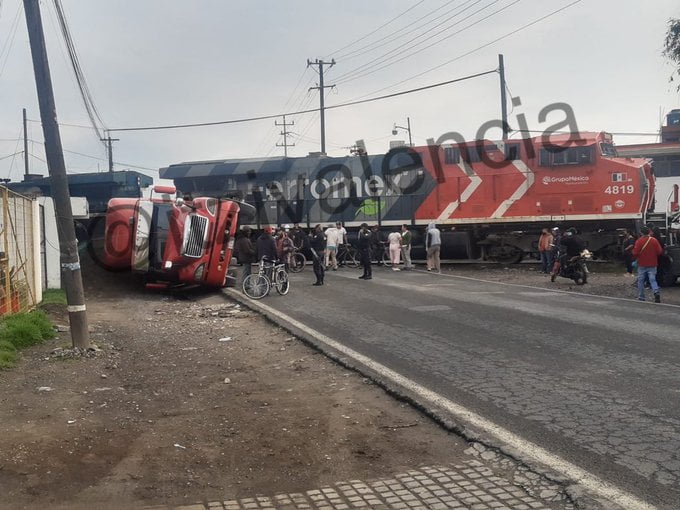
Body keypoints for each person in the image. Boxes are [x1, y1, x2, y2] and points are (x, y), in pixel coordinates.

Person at [632, 225, 663, 303]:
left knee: (641, 280)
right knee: (653, 279)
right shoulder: (654, 240)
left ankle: (641, 296)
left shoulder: (639, 241)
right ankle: (656, 292)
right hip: (653, 263)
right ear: (649, 232)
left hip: (642, 264)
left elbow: (635, 253)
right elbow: (659, 251)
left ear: (641, 233)